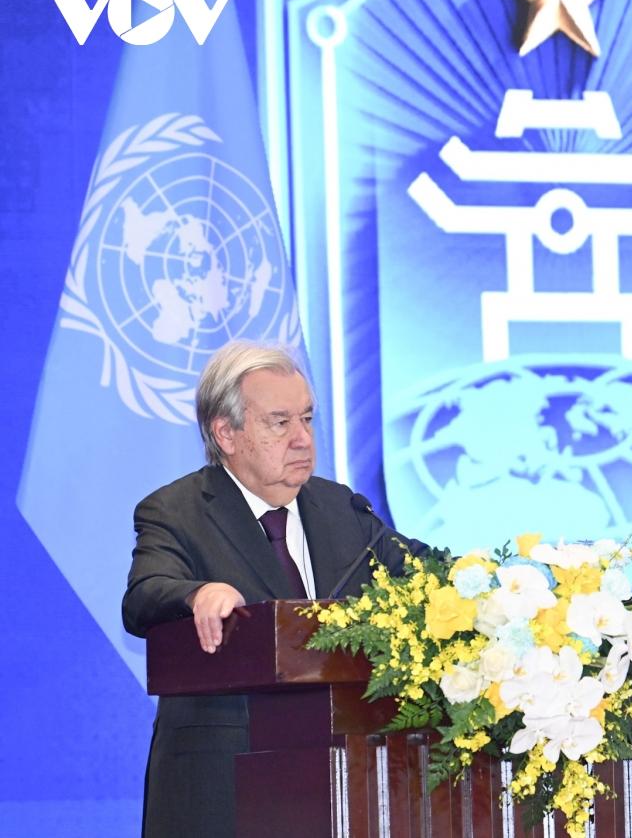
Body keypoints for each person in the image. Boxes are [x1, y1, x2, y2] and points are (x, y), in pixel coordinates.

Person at [122, 341, 431, 838]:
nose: (303, 439)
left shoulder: (342, 508)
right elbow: (144, 594)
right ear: (226, 433)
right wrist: (196, 594)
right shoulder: (176, 511)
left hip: (343, 782)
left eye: (306, 419)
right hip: (222, 788)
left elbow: (425, 571)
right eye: (280, 422)